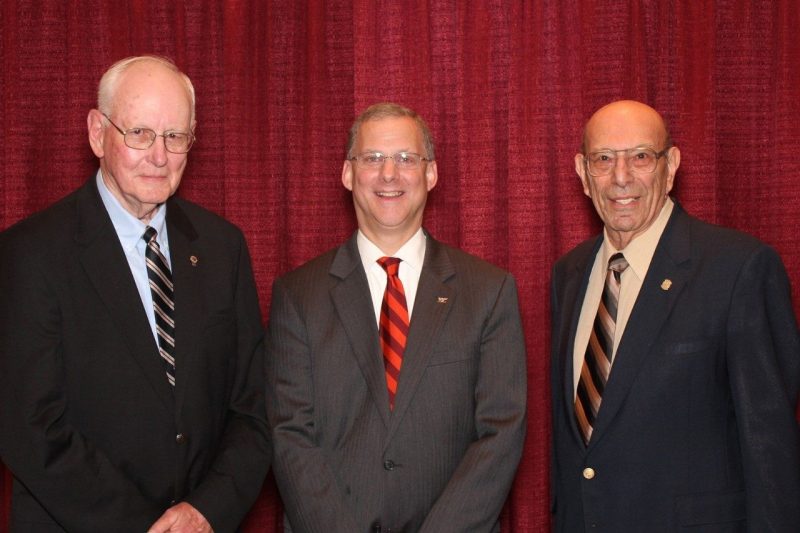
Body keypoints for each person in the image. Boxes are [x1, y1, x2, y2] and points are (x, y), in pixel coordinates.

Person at [0, 56, 270, 532]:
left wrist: (206, 511)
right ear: (97, 133)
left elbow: (252, 408)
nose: (159, 156)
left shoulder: (223, 246)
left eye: (175, 136)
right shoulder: (31, 253)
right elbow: (30, 426)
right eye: (140, 133)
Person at [265, 102, 527, 532]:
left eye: (406, 159)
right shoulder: (297, 296)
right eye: (373, 159)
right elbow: (290, 435)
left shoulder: (489, 292)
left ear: (431, 174)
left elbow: (500, 433)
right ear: (348, 174)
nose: (389, 174)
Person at [550, 99, 800, 531]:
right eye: (603, 159)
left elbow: (770, 447)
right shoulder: (569, 274)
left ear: (672, 165)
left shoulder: (738, 268)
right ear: (582, 174)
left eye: (641, 157)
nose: (621, 177)